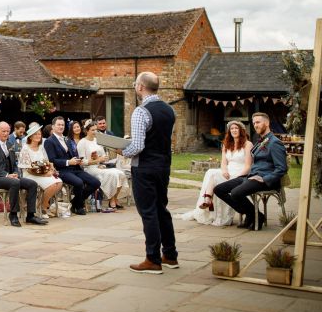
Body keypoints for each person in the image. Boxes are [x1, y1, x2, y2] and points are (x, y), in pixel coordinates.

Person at [122, 72, 178, 274]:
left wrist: (122, 150)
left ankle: (153, 259)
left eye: (136, 84)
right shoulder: (170, 110)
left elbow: (137, 145)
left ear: (140, 87)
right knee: (162, 209)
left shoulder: (141, 111)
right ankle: (170, 255)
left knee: (148, 212)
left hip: (144, 167)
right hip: (163, 166)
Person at [214, 112, 288, 230]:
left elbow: (282, 168)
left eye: (258, 122)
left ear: (267, 123)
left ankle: (253, 216)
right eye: (254, 123)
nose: (255, 125)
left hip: (265, 179)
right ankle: (255, 215)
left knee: (236, 193)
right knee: (219, 189)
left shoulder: (274, 143)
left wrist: (264, 178)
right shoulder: (261, 141)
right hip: (252, 176)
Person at [178, 121, 252, 226]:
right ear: (229, 131)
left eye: (236, 128)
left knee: (212, 173)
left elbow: (248, 166)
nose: (234, 130)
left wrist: (239, 177)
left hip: (240, 174)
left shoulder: (247, 144)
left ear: (241, 130)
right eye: (232, 129)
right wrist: (225, 170)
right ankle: (208, 199)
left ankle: (208, 199)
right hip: (228, 172)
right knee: (211, 172)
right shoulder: (226, 144)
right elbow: (223, 163)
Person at [0, 122, 46, 227]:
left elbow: (14, 163)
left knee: (32, 184)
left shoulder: (9, 144)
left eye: (7, 131)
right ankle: (13, 214)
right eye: (3, 131)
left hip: (10, 177)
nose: (6, 133)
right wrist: (7, 175)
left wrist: (15, 172)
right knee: (15, 183)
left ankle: (30, 215)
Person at [44, 117, 100, 216]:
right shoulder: (49, 141)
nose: (61, 127)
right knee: (79, 183)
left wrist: (78, 159)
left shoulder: (66, 139)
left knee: (95, 182)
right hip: (61, 170)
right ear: (53, 126)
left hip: (75, 168)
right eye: (59, 125)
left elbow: (72, 154)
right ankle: (78, 207)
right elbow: (52, 160)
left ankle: (75, 202)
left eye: (62, 125)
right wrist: (68, 162)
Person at [77, 120, 129, 210]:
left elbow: (104, 155)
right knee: (113, 174)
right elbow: (82, 162)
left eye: (96, 130)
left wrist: (102, 160)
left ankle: (114, 198)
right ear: (87, 131)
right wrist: (96, 160)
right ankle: (112, 200)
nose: (95, 132)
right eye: (93, 130)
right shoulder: (82, 142)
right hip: (88, 169)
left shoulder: (97, 141)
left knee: (120, 173)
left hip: (99, 166)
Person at [18, 123, 63, 219]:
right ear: (30, 137)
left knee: (59, 182)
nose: (38, 136)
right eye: (35, 134)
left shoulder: (41, 147)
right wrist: (44, 175)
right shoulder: (25, 148)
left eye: (39, 134)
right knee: (52, 184)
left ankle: (42, 204)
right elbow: (28, 169)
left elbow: (46, 161)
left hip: (43, 173)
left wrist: (51, 169)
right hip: (30, 175)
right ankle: (43, 207)